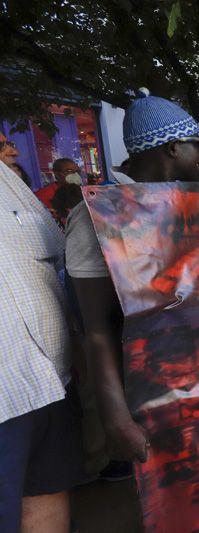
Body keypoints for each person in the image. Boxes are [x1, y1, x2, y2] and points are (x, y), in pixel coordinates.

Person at [66, 88, 199, 466]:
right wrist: (116, 419)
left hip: (186, 382)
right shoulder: (97, 216)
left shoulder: (181, 205)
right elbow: (96, 327)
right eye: (198, 148)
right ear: (174, 148)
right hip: (140, 389)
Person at [0, 161, 85, 531]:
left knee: (47, 491)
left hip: (52, 380)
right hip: (5, 401)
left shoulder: (7, 181)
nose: (12, 147)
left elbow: (54, 256)